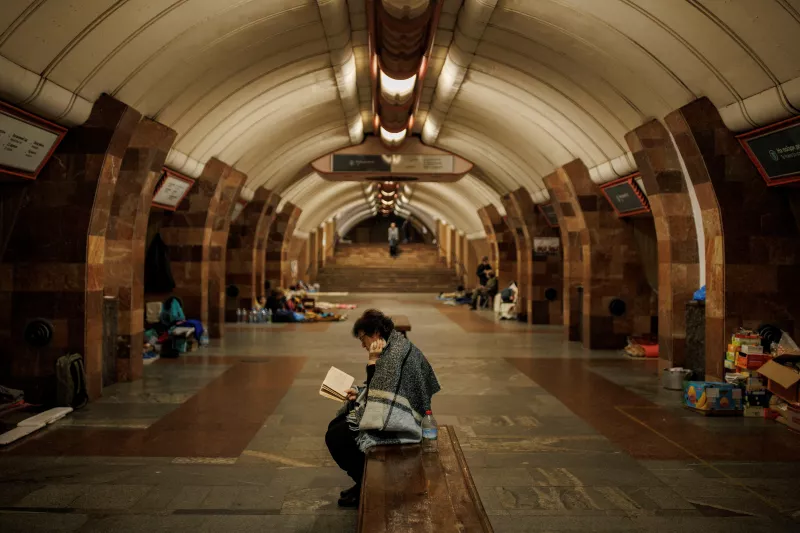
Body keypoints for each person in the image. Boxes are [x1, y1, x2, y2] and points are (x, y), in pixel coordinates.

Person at [325, 309, 440, 508]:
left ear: (376, 333)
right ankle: (362, 481)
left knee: (337, 436)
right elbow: (380, 389)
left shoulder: (393, 355)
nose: (362, 344)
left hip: (404, 421)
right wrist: (359, 393)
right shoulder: (394, 344)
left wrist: (372, 361)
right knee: (338, 424)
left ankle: (366, 484)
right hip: (401, 408)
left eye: (362, 338)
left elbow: (380, 400)